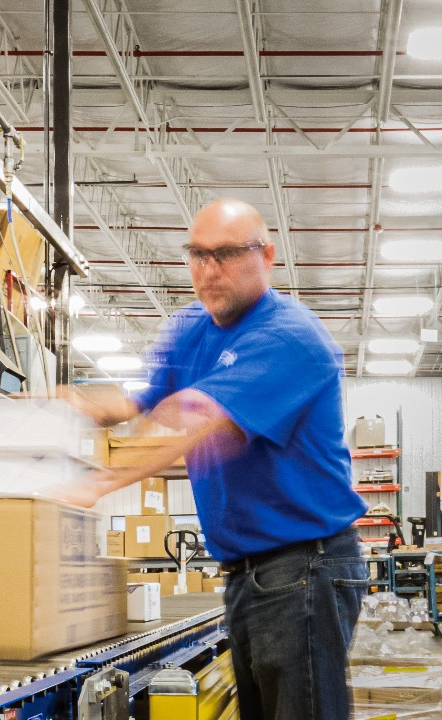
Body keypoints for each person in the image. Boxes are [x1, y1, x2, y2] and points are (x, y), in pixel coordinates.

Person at [53, 198, 369, 720]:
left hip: (305, 565)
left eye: (225, 254)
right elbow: (140, 403)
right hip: (247, 570)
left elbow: (195, 420)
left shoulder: (289, 336)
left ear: (266, 255)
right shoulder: (190, 329)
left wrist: (95, 483)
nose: (208, 270)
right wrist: (73, 404)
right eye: (198, 255)